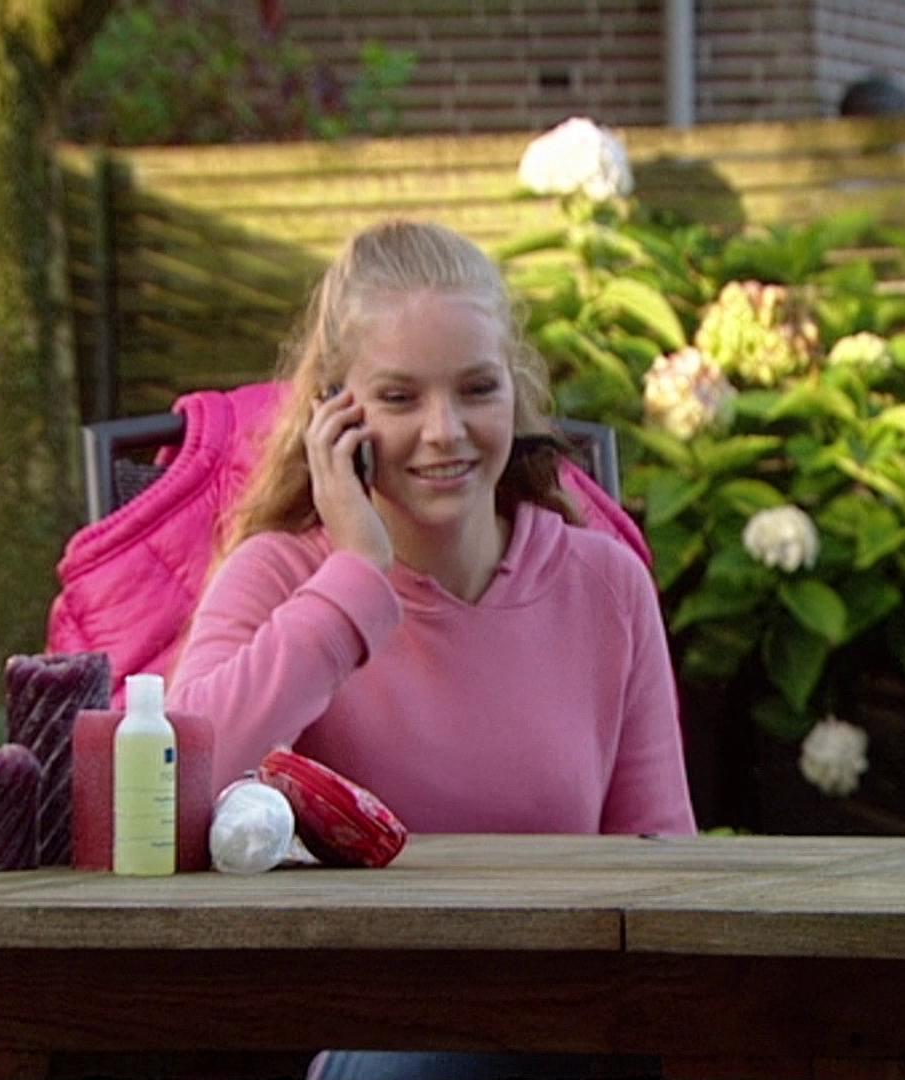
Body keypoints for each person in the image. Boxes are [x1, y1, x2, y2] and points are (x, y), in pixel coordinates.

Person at [168, 220, 693, 1080]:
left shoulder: (607, 586)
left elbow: (666, 870)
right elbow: (171, 785)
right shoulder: (279, 577)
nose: (445, 431)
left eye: (477, 389)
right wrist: (353, 578)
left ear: (515, 392)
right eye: (401, 398)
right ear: (336, 414)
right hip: (362, 1034)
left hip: (566, 1026)